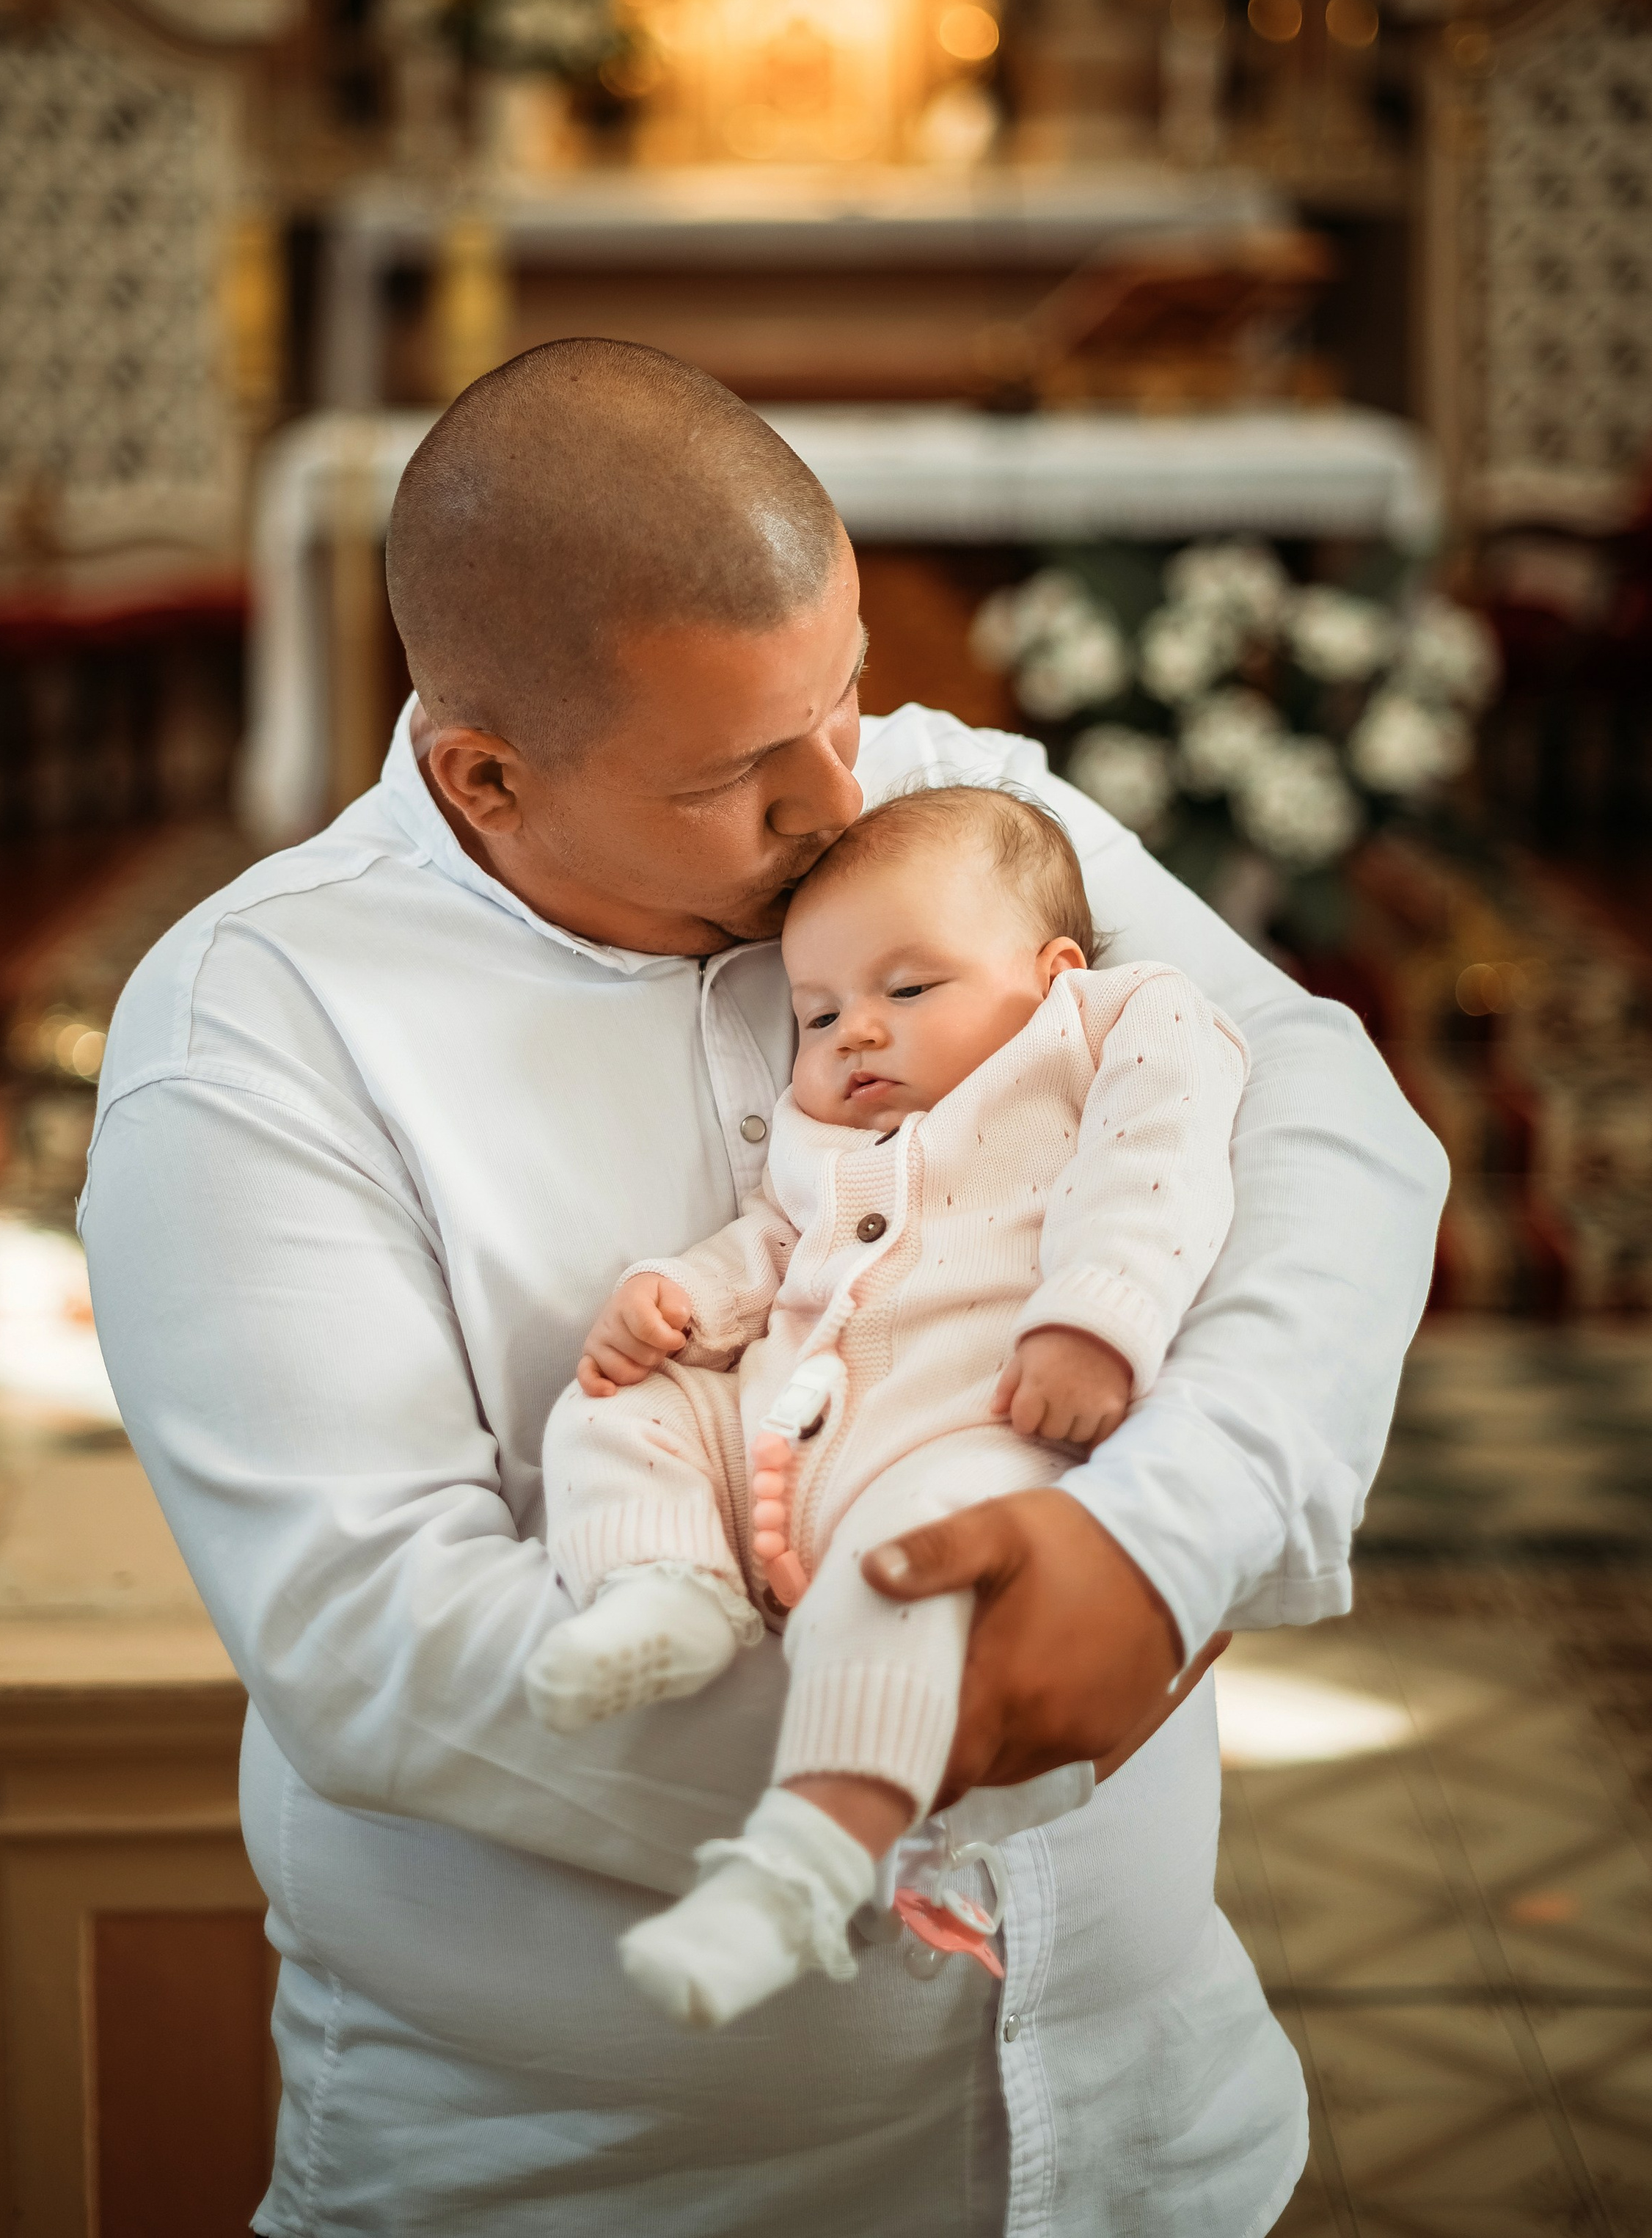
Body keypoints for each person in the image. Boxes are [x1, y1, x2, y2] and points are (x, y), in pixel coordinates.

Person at [82, 338, 1448, 2238]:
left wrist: (1165, 1549)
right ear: (487, 775)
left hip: (1149, 2129)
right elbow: (369, 1641)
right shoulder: (259, 1029)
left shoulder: (934, 795)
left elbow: (1316, 1105)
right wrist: (980, 1728)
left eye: (850, 692)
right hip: (605, 2181)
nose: (841, 792)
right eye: (742, 771)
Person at [532, 784, 1249, 2030]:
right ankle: (669, 1590)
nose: (857, 1033)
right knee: (611, 1408)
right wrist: (677, 1299)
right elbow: (773, 1240)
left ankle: (799, 1873)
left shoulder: (1109, 1028)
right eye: (818, 1013)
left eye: (910, 992)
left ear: (1053, 970)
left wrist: (1096, 1315)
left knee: (908, 1576)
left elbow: (1161, 1159)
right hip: (781, 1433)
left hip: (976, 1436)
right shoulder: (823, 1137)